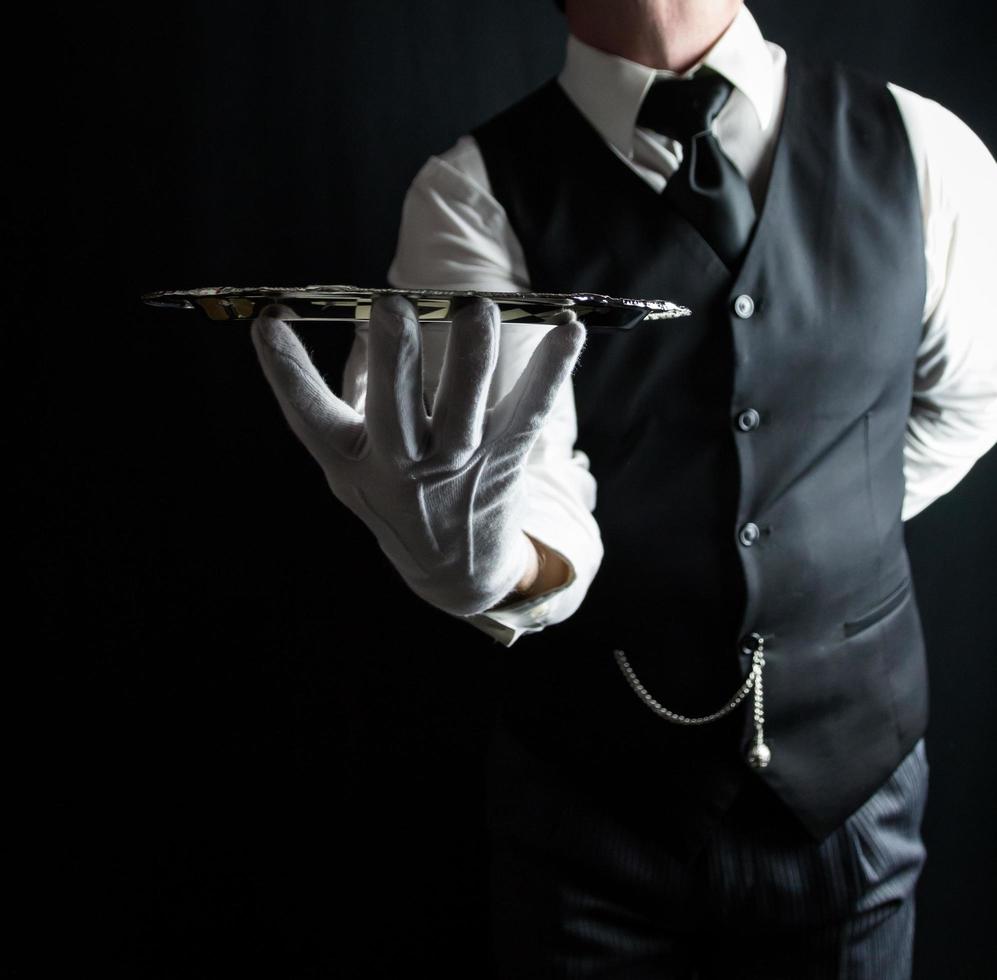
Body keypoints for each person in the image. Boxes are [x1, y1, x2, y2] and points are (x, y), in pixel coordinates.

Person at [251, 1, 997, 975]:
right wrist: (500, 565)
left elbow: (968, 403)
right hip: (590, 815)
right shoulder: (472, 196)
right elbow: (527, 494)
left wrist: (818, 523)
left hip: (856, 796)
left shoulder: (921, 145)